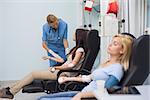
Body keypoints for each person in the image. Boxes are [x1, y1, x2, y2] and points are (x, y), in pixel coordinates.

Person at [38, 33, 134, 100]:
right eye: (111, 42)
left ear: (122, 50)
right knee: (41, 98)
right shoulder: (106, 63)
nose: (110, 45)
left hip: (88, 97)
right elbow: (89, 78)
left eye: (115, 44)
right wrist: (67, 79)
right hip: (83, 93)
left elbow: (105, 91)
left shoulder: (117, 69)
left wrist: (81, 96)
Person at [0, 29, 87, 99]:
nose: (73, 35)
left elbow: (72, 66)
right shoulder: (75, 49)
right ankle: (9, 88)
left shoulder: (80, 50)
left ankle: (11, 92)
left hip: (63, 73)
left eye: (75, 33)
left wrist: (57, 68)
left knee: (33, 74)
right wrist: (50, 58)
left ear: (78, 36)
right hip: (60, 70)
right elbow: (64, 61)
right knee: (32, 74)